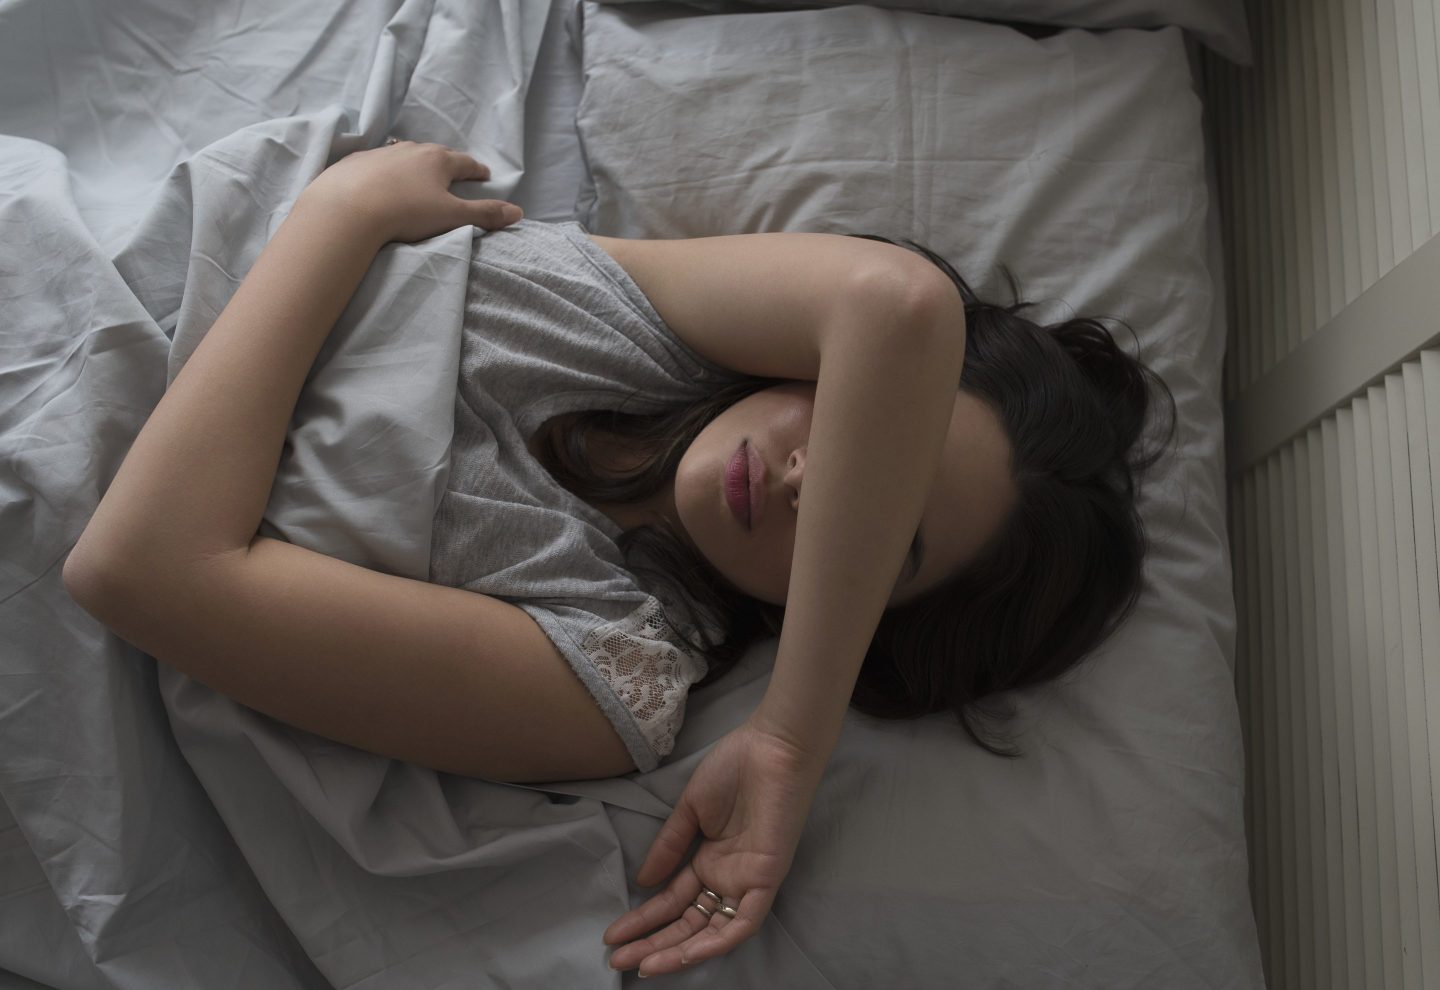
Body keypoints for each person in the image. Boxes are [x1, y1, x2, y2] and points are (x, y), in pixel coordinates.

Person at [63, 140, 1177, 980]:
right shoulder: (631, 315)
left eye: (887, 537)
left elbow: (142, 569)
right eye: (863, 442)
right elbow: (897, 304)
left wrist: (337, 217)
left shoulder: (610, 669)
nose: (803, 481)